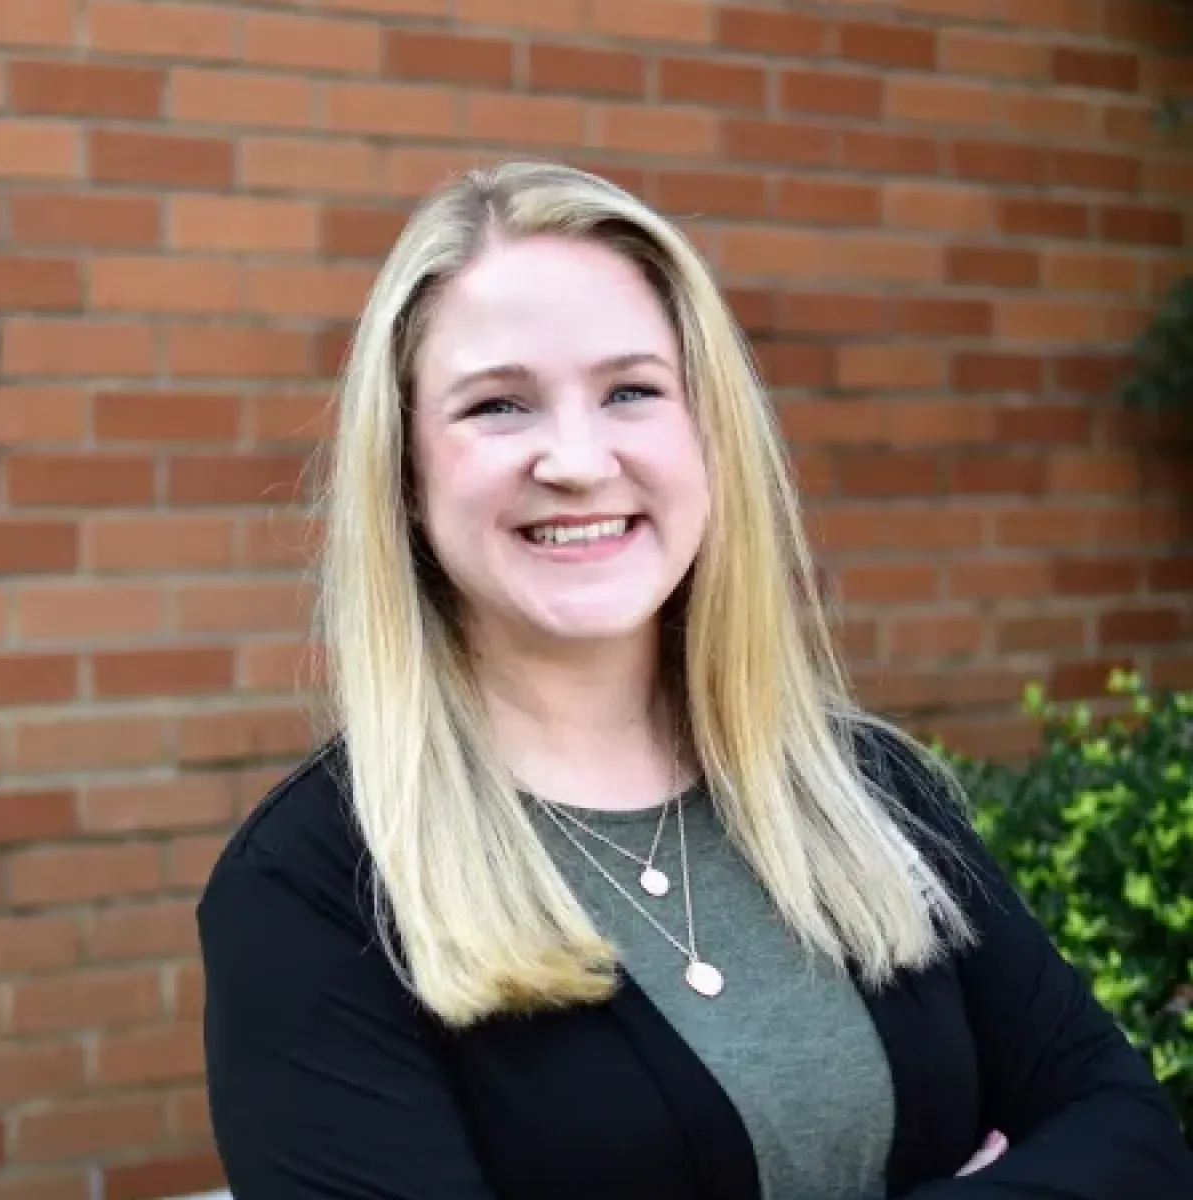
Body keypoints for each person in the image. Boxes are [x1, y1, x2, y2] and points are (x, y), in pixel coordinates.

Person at [197, 160, 1192, 1200]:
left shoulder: (863, 789)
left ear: (707, 435)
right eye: (498, 407)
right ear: (404, 473)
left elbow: (1129, 1137)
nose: (577, 461)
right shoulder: (314, 891)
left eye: (632, 391)